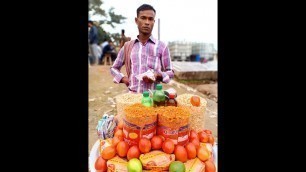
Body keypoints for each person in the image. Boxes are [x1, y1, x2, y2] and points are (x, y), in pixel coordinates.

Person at [110, 4, 174, 93]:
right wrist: (123, 78)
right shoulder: (128, 46)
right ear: (136, 20)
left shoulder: (162, 47)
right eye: (143, 18)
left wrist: (158, 75)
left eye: (150, 19)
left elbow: (170, 72)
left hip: (153, 99)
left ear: (153, 22)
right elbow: (114, 68)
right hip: (132, 97)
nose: (147, 22)